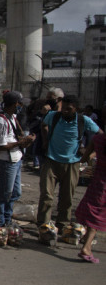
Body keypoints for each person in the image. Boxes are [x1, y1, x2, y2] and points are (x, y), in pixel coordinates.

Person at [38, 95, 102, 233]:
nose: (65, 111)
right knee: (47, 195)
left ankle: (62, 224)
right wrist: (45, 140)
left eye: (69, 109)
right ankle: (43, 225)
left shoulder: (83, 120)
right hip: (51, 160)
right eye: (64, 108)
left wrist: (90, 154)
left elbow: (100, 136)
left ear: (76, 109)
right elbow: (43, 125)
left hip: (72, 163)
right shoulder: (54, 116)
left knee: (66, 197)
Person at [0, 91, 35, 227]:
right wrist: (19, 143)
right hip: (6, 161)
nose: (21, 107)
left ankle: (7, 218)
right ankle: (0, 221)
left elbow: (17, 136)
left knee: (15, 193)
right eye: (20, 104)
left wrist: (26, 140)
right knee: (5, 193)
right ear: (16, 104)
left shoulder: (13, 117)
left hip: (17, 159)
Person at [75, 132, 105, 263]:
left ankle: (86, 243)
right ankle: (86, 247)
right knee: (97, 215)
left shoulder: (97, 139)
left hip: (97, 182)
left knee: (94, 212)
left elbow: (85, 158)